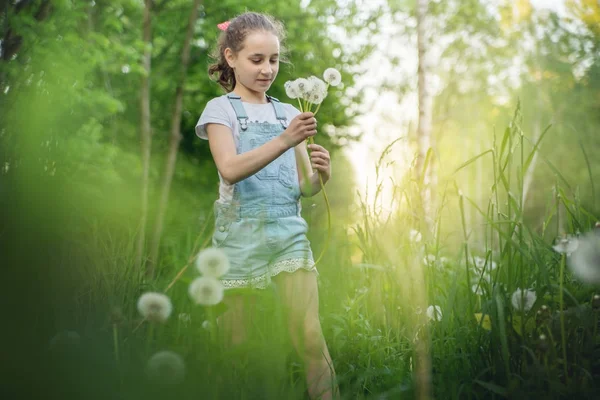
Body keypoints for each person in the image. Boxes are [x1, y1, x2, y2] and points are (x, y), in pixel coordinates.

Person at [195, 11, 339, 400]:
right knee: (234, 346)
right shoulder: (220, 111)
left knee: (310, 335)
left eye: (273, 60)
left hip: (288, 233)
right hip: (238, 235)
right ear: (230, 58)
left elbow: (302, 187)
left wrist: (321, 177)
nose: (267, 70)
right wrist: (284, 140)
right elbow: (229, 169)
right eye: (256, 60)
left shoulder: (289, 113)